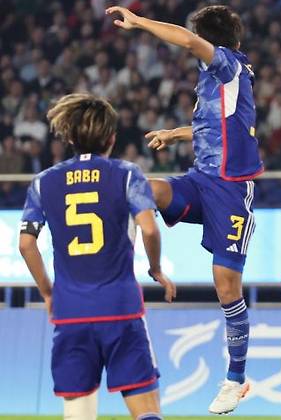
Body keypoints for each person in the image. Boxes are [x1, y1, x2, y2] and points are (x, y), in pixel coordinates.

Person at [106, 4, 263, 414]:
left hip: (231, 190)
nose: (192, 49)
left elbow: (191, 40)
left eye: (199, 42)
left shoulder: (228, 64)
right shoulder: (214, 80)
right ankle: (121, 268)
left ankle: (235, 379)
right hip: (201, 180)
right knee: (143, 187)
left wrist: (139, 22)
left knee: (226, 286)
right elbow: (216, 125)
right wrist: (175, 135)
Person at [18, 93, 176, 420]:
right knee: (146, 410)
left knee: (78, 414)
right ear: (111, 138)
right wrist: (156, 268)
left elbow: (26, 244)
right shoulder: (126, 174)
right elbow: (148, 229)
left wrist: (48, 292)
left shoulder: (43, 182)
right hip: (120, 307)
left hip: (70, 311)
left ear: (71, 138)